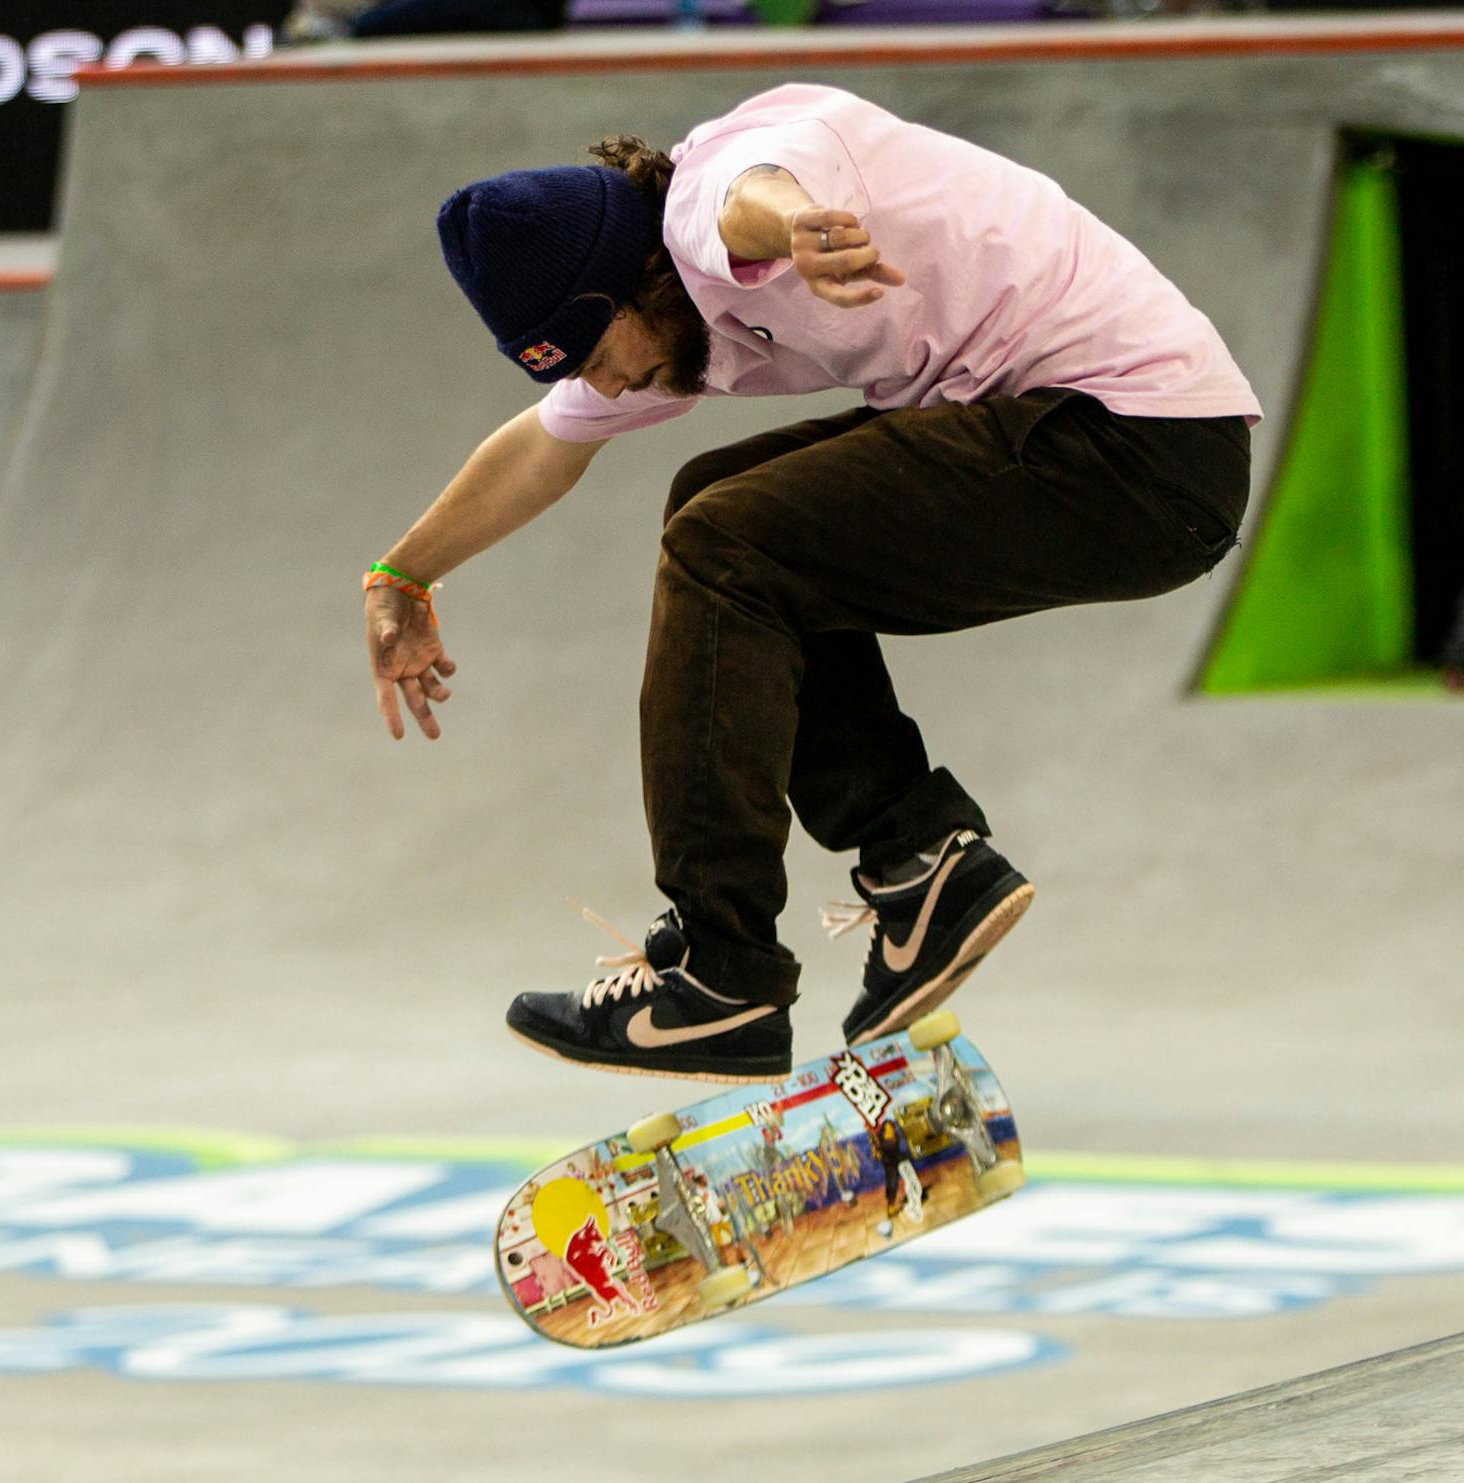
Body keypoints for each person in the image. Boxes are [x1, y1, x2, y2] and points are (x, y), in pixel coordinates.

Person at [366, 83, 1259, 1083]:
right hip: (1099, 441)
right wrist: (404, 572)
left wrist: (796, 230)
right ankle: (917, 862)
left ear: (639, 280)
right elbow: (543, 447)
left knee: (725, 543)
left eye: (596, 352)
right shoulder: (666, 321)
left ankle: (720, 971)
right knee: (720, 500)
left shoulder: (709, 196)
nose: (608, 384)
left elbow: (753, 195)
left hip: (1134, 445)